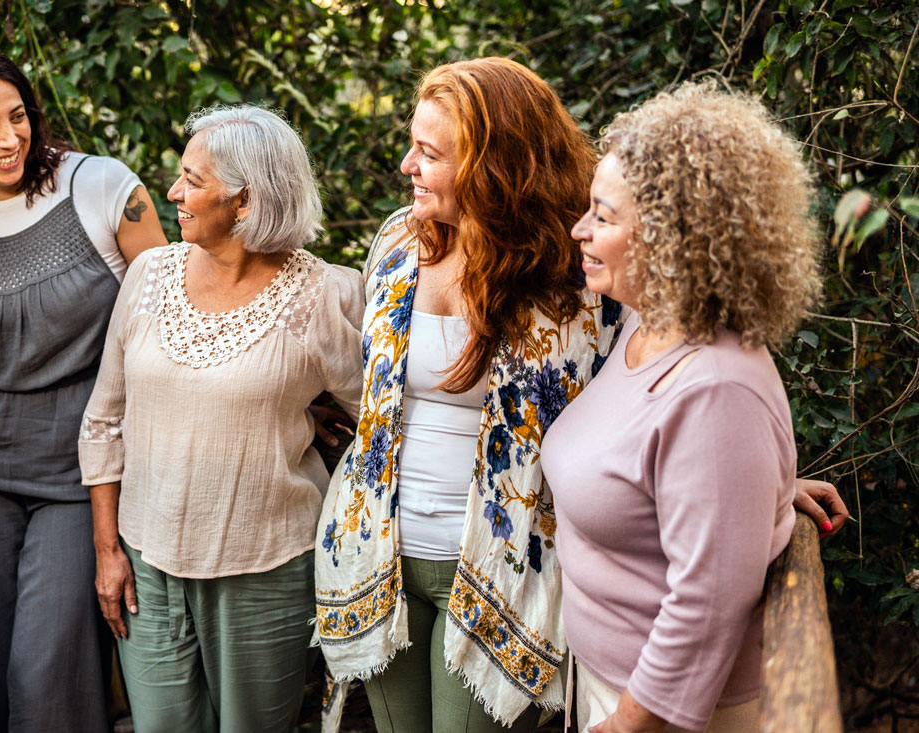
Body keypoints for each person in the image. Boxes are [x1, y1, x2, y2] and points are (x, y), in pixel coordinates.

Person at [312, 59, 851, 733]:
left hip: (500, 571)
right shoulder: (397, 243)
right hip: (377, 553)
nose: (406, 165)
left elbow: (694, 399)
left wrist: (754, 487)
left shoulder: (583, 282)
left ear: (492, 165)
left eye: (429, 152)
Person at [0, 41, 167, 733]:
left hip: (81, 471)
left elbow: (170, 319)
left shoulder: (104, 188)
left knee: (45, 671)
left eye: (16, 116)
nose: (9, 138)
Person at [543, 82, 823, 732]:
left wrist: (630, 721)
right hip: (610, 679)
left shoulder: (717, 386)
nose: (581, 231)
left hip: (666, 713)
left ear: (670, 236)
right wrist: (754, 501)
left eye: (604, 217)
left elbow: (708, 601)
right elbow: (681, 476)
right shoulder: (647, 324)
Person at [80, 105, 363, 733]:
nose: (174, 193)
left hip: (267, 568)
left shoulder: (326, 296)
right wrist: (107, 551)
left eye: (193, 180)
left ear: (245, 200)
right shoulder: (150, 276)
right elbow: (103, 421)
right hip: (144, 566)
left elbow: (379, 417)